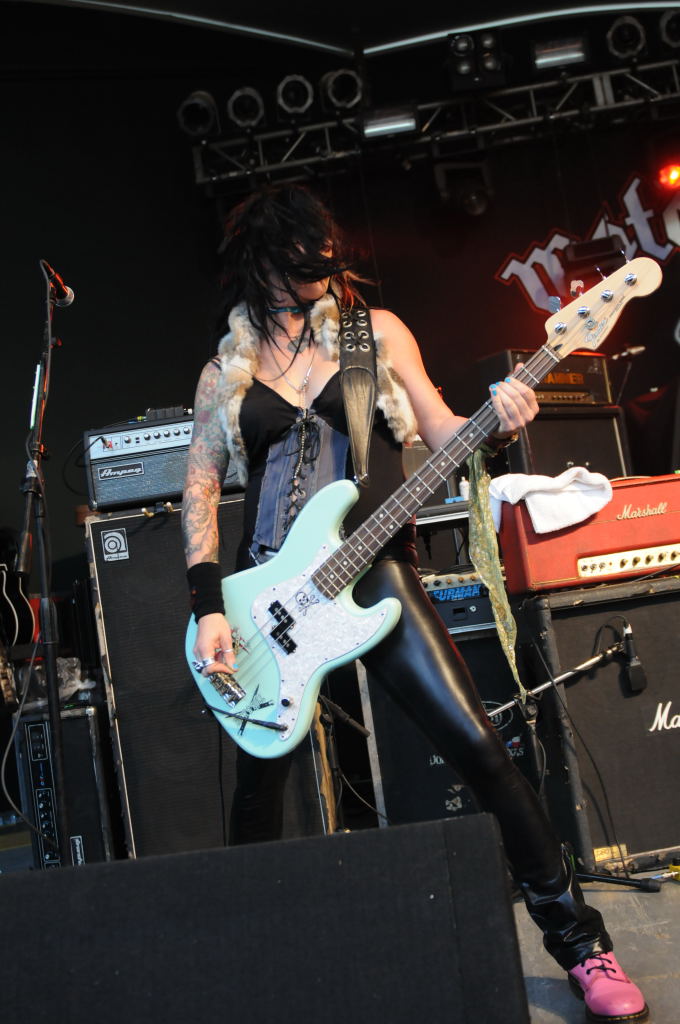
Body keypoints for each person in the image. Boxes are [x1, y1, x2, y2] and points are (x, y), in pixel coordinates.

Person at [182, 184, 648, 1023]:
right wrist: (207, 604)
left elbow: (440, 431)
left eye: (325, 266)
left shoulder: (377, 333)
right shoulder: (225, 371)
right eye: (302, 268)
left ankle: (584, 947)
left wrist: (499, 417)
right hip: (265, 602)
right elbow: (201, 488)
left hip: (374, 569)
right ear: (265, 262)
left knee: (481, 748)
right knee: (258, 795)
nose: (319, 281)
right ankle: (243, 962)